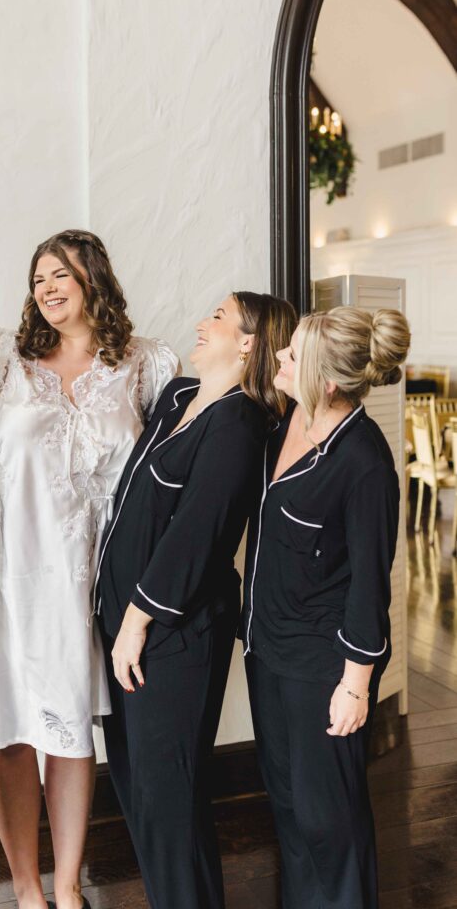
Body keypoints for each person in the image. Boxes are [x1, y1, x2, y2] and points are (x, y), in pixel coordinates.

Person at [0, 230, 178, 909]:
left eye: (62, 276)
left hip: (88, 582)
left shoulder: (145, 365)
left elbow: (172, 471)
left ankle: (70, 883)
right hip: (5, 582)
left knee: (71, 731)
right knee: (11, 734)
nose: (47, 288)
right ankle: (26, 888)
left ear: (93, 282)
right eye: (38, 278)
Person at [96, 291, 297, 909]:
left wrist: (135, 621)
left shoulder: (239, 423)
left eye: (218, 317)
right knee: (139, 797)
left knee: (168, 803)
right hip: (120, 627)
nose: (201, 323)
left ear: (249, 342)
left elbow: (197, 533)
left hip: (171, 637)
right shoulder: (178, 398)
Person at [242, 305, 411, 909]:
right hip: (267, 654)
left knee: (329, 822)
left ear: (329, 380)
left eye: (294, 356)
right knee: (288, 808)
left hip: (324, 671)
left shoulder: (365, 465)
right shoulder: (287, 421)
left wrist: (356, 687)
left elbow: (370, 587)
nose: (282, 359)